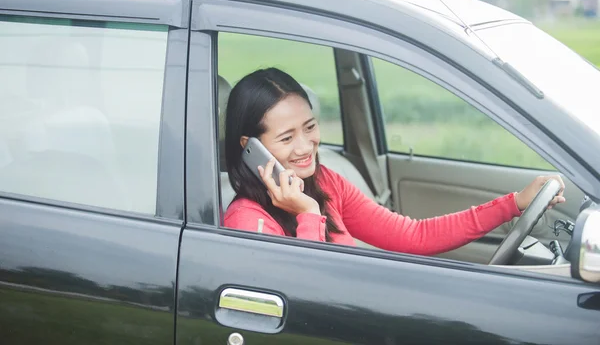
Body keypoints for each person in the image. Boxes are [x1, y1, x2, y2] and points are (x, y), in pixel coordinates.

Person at [223, 67, 566, 255]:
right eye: (286, 138)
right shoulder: (246, 221)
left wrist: (514, 204)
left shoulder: (326, 182)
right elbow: (304, 299)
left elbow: (414, 236)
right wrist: (309, 215)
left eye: (310, 127)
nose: (305, 145)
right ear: (250, 145)